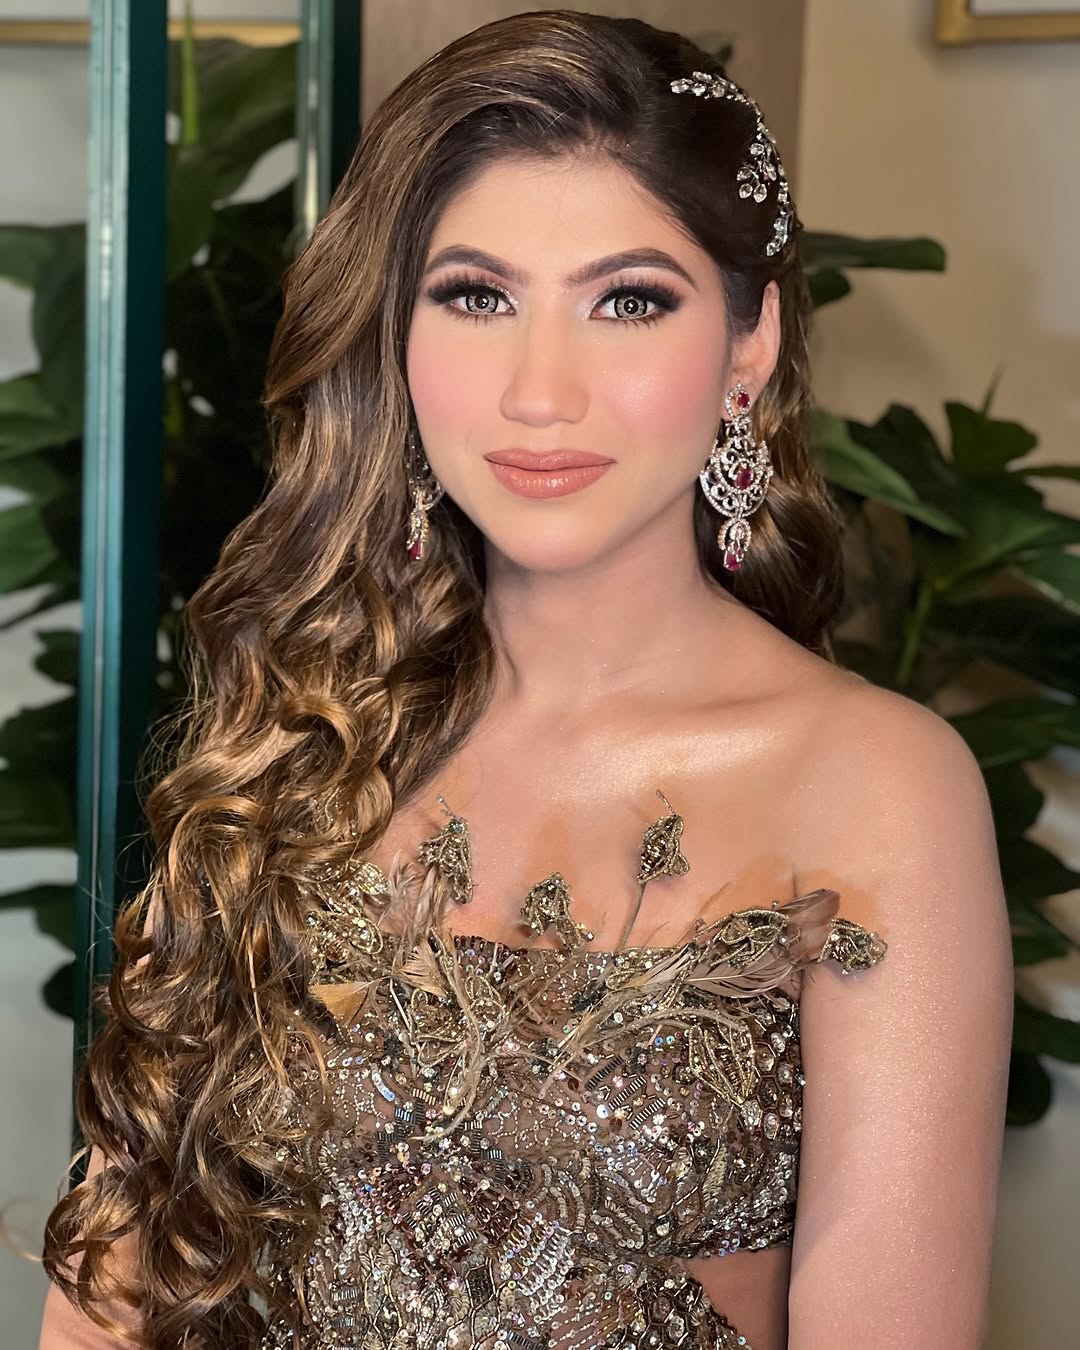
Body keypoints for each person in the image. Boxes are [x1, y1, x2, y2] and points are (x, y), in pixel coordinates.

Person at [39, 10, 1013, 1349]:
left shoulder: (878, 786)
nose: (540, 393)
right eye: (477, 296)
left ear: (750, 341)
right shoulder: (292, 741)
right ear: (396, 333)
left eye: (629, 300)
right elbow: (108, 1303)